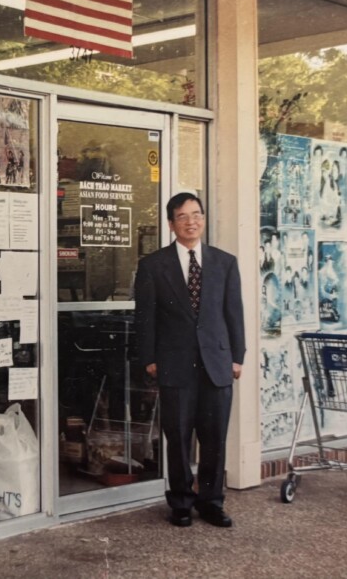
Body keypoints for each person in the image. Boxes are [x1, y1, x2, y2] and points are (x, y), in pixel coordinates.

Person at [134, 192, 245, 529]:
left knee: (214, 438)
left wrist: (237, 357)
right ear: (171, 224)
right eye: (182, 216)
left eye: (196, 214)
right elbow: (145, 317)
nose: (191, 221)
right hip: (175, 364)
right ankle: (181, 502)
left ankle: (211, 502)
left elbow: (234, 314)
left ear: (204, 218)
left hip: (217, 364)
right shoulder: (153, 265)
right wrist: (149, 358)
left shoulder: (225, 262)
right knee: (178, 436)